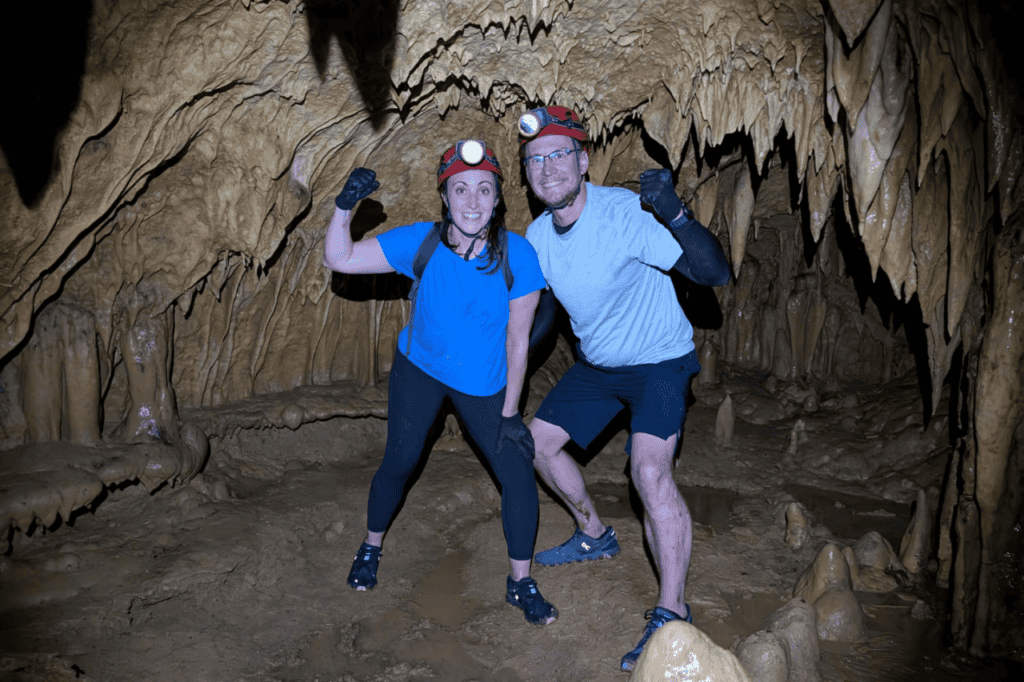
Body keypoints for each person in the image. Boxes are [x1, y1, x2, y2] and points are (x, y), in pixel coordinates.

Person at [515, 106, 731, 669]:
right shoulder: (538, 235)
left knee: (649, 472)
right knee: (535, 443)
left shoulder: (625, 213)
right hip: (599, 365)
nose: (547, 168)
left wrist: (677, 214)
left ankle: (673, 609)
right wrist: (507, 361)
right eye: (535, 160)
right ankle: (593, 533)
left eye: (559, 155)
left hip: (660, 361)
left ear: (583, 162)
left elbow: (712, 274)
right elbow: (543, 316)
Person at [322, 139, 557, 625]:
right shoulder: (420, 242)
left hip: (485, 386)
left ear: (497, 200)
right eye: (461, 189)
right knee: (399, 462)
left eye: (484, 190)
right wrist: (343, 208)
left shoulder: (519, 255)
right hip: (421, 371)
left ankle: (520, 581)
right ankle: (371, 546)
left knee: (517, 474)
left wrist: (511, 413)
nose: (473, 201)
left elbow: (519, 342)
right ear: (445, 197)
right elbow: (340, 260)